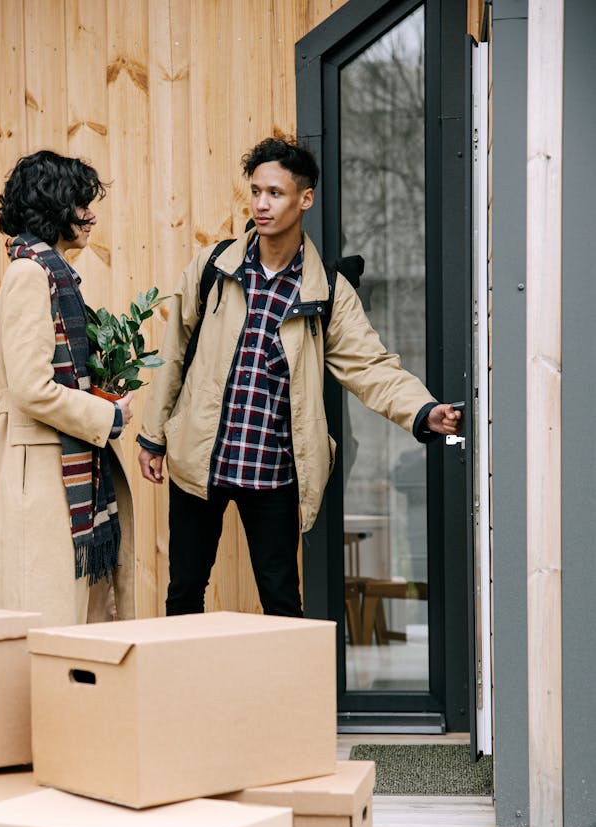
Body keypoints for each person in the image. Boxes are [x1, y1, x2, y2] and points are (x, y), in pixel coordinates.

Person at [137, 135, 460, 618]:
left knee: (282, 599)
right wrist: (152, 436)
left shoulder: (326, 290)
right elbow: (174, 352)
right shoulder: (214, 267)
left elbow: (369, 366)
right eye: (256, 192)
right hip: (202, 458)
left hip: (274, 472)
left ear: (304, 198)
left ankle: (288, 696)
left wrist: (423, 410)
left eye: (276, 193)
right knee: (184, 590)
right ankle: (184, 693)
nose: (261, 205)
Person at [0, 150, 136, 626]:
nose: (90, 216)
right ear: (54, 207)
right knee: (44, 623)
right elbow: (31, 388)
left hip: (58, 467)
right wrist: (106, 416)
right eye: (80, 203)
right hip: (42, 474)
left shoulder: (51, 271)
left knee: (71, 621)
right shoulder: (30, 273)